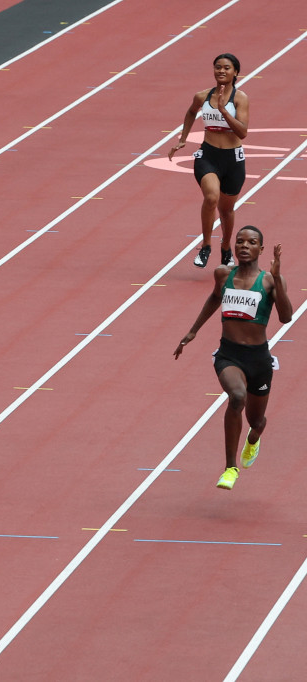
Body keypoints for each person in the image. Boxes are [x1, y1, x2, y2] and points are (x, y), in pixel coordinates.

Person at [174, 225, 291, 490]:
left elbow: (286, 317)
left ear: (261, 249)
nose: (244, 246)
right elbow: (214, 299)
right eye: (239, 242)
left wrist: (278, 278)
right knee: (237, 396)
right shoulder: (223, 274)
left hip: (259, 359)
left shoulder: (271, 281)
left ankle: (253, 440)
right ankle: (230, 468)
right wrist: (192, 331)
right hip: (229, 355)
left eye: (251, 242)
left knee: (256, 421)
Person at [168, 53, 249, 269]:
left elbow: (243, 132)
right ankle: (205, 246)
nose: (221, 71)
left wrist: (223, 110)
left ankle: (225, 247)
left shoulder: (240, 98)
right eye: (217, 67)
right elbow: (190, 112)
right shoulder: (202, 96)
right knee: (211, 197)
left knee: (226, 210)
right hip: (208, 155)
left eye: (226, 68)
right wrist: (182, 139)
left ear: (235, 72)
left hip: (233, 159)